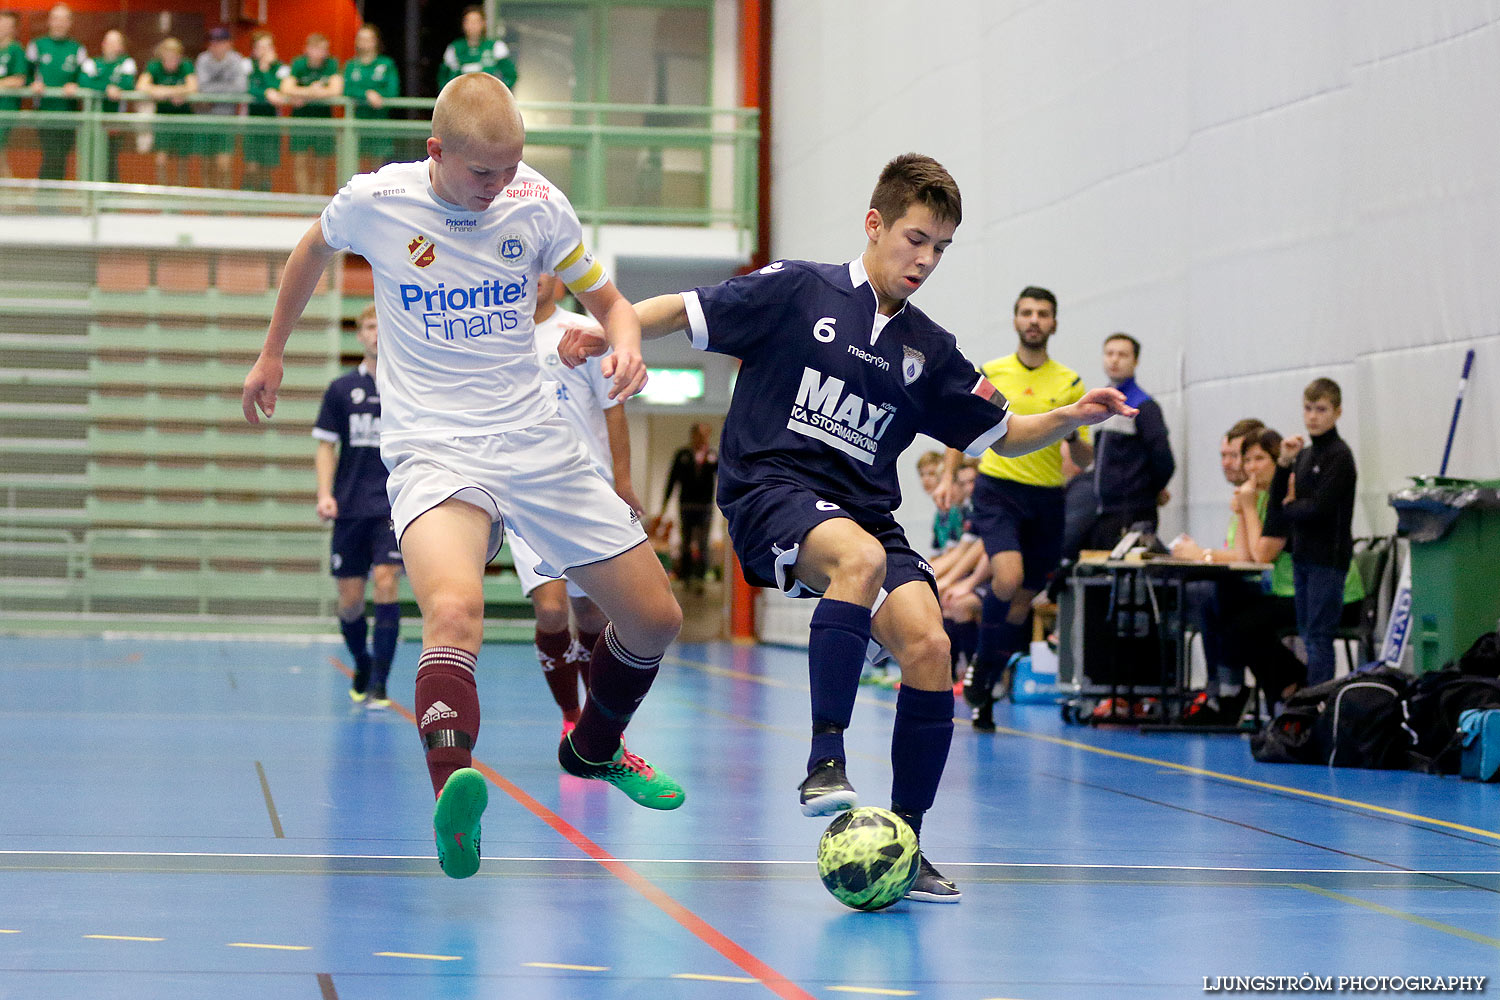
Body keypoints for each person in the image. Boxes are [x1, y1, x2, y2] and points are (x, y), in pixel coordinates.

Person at [597, 153, 1133, 903]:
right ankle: (825, 758)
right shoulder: (797, 289)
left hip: (865, 514)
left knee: (931, 644)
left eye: (941, 248)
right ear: (874, 224)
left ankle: (906, 843)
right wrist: (615, 337)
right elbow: (680, 310)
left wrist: (1070, 417)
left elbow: (1003, 434)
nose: (926, 259)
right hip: (770, 491)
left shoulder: (930, 350)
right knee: (858, 560)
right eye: (916, 238)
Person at [241, 73, 685, 884]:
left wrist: (626, 342)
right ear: (435, 152)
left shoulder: (537, 204)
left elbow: (612, 301)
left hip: (534, 441)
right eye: (484, 173)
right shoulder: (378, 201)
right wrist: (274, 349)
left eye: (511, 167)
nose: (499, 186)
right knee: (453, 607)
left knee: (655, 621)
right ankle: (455, 798)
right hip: (434, 448)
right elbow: (310, 250)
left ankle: (594, 745)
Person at [951, 285, 1091, 730]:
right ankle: (979, 669)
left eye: (1043, 313)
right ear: (1015, 320)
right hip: (998, 489)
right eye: (1027, 312)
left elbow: (1084, 455)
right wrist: (952, 476)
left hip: (1048, 498)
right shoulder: (992, 372)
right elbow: (961, 422)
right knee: (1006, 577)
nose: (1034, 320)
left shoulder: (1069, 383)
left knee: (1019, 605)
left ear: (1053, 323)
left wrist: (1079, 438)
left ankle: (986, 682)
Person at [513, 272, 646, 736]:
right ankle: (571, 717)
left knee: (591, 613)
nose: (534, 279)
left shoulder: (584, 333)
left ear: (559, 278)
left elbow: (614, 410)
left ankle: (600, 721)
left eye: (543, 269)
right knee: (551, 611)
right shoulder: (500, 335)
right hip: (524, 493)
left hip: (584, 489)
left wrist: (623, 482)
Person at [1218, 427, 1366, 716]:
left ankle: (1299, 692)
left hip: (1331, 591)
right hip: (1291, 589)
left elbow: (1262, 556)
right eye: (1246, 460)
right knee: (1227, 609)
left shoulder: (1289, 493)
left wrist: (1247, 508)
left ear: (1277, 462)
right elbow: (1247, 558)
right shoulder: (1261, 497)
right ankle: (1287, 691)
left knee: (1245, 626)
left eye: (1259, 459)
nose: (1251, 468)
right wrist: (1242, 510)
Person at [313, 305, 403, 707]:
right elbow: (325, 446)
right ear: (359, 334)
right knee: (350, 603)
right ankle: (362, 662)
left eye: (383, 326)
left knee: (386, 582)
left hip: (392, 506)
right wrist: (324, 493)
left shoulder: (409, 386)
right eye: (370, 326)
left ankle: (381, 680)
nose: (377, 334)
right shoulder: (340, 390)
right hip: (350, 508)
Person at [1266, 377, 1358, 688]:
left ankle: (1318, 706)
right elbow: (1278, 505)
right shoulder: (1303, 456)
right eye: (1308, 409)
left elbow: (1319, 509)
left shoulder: (1339, 456)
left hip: (1327, 559)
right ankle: (1310, 702)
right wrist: (1283, 463)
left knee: (1319, 636)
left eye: (1321, 409)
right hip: (1303, 556)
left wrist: (1295, 507)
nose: (1313, 417)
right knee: (1306, 634)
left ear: (1337, 412)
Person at [1171, 417, 1265, 722]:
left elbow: (1246, 557)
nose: (1228, 463)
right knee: (1199, 592)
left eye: (1234, 456)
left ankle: (1227, 690)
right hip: (1246, 580)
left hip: (1270, 583)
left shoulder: (1257, 495)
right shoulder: (1241, 495)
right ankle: (1217, 688)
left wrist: (1202, 554)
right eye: (1222, 456)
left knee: (1213, 594)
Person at [1078, 332, 1174, 549]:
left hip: (1132, 512)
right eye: (1109, 353)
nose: (1114, 359)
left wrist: (1149, 491)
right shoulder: (1100, 405)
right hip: (1104, 511)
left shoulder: (1143, 406)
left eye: (1122, 355)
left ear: (1136, 361)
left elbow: (1164, 460)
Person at [27, 3, 84, 180]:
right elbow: (26, 74)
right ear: (50, 21)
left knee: (62, 155)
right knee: (52, 153)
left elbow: (85, 76)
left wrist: (76, 85)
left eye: (64, 19)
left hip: (68, 113)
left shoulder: (77, 48)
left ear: (70, 23)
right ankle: (45, 199)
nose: (59, 23)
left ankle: (53, 198)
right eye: (56, 19)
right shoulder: (37, 45)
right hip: (44, 111)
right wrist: (32, 84)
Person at [658, 422, 717, 592]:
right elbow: (672, 480)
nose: (703, 438)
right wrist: (665, 504)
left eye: (706, 435)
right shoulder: (682, 455)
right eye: (700, 435)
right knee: (686, 541)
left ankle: (700, 577)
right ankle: (686, 577)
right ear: (693, 436)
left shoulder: (712, 455)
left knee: (703, 543)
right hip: (686, 505)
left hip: (704, 506)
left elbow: (721, 479)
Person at [281, 33, 341, 194]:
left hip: (323, 121)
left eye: (323, 49)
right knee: (300, 163)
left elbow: (336, 90)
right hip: (300, 120)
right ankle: (303, 200)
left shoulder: (331, 64)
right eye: (315, 49)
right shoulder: (298, 64)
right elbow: (286, 88)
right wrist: (312, 91)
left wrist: (302, 95)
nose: (320, 53)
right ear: (307, 50)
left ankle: (317, 202)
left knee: (321, 166)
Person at [137, 37, 196, 187]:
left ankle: (181, 190)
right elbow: (141, 85)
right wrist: (164, 92)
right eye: (168, 56)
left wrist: (170, 92)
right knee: (161, 159)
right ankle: (163, 190)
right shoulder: (154, 66)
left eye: (175, 56)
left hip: (183, 118)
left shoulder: (186, 66)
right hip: (163, 118)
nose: (171, 60)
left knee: (182, 159)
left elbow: (193, 87)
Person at [193, 26, 247, 190]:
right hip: (205, 119)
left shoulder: (236, 60)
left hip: (226, 119)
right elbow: (201, 87)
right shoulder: (203, 59)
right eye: (213, 42)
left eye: (220, 42)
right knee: (206, 162)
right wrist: (224, 91)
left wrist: (213, 93)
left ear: (229, 43)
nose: (215, 46)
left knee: (224, 164)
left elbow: (240, 88)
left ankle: (224, 201)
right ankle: (208, 202)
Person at [79, 28, 135, 183]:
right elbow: (84, 82)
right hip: (92, 123)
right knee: (91, 160)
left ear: (121, 46)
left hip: (114, 123)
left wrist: (98, 83)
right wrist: (107, 88)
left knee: (110, 161)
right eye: (108, 41)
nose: (110, 45)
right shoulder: (92, 62)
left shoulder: (126, 62)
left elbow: (127, 83)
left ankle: (110, 200)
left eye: (115, 42)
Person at [344, 24, 400, 173]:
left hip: (379, 124)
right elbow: (347, 88)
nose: (365, 42)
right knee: (356, 167)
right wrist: (366, 93)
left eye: (369, 39)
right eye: (361, 38)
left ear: (376, 41)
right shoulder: (351, 65)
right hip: (356, 124)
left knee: (378, 168)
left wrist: (378, 95)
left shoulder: (386, 64)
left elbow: (392, 90)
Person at [242, 31, 287, 192]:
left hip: (272, 123)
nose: (265, 51)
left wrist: (266, 70)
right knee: (251, 166)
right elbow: (248, 87)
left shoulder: (281, 68)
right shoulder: (246, 65)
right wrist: (266, 93)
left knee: (267, 167)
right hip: (251, 122)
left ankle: (262, 206)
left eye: (268, 47)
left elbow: (280, 89)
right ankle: (247, 203)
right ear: (253, 49)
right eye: (261, 47)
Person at [438, 6, 516, 92]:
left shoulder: (496, 47)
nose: (472, 26)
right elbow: (443, 79)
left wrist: (498, 93)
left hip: (489, 100)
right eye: (469, 22)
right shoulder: (454, 49)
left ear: (483, 23)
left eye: (476, 21)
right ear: (463, 24)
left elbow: (511, 76)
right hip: (462, 100)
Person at [0, 11, 30, 179]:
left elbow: (19, 79)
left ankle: (8, 191)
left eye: (6, 25)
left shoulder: (16, 50)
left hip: (5, 110)